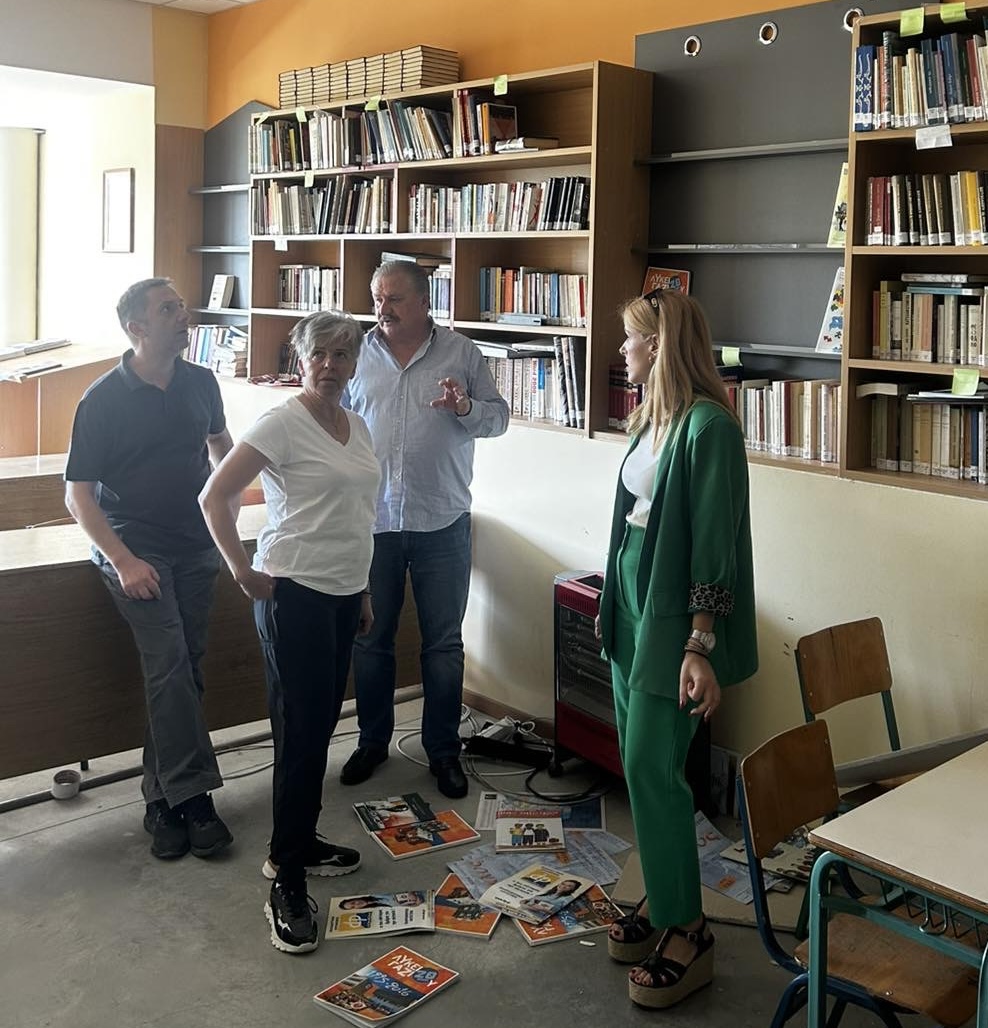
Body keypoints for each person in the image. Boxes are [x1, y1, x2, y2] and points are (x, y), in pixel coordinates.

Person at [199, 310, 380, 955]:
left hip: (342, 595)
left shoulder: (356, 424)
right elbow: (214, 497)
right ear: (301, 360)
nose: (331, 365)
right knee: (301, 737)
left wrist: (362, 591)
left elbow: (359, 513)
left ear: (355, 362)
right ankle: (287, 876)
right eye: (319, 354)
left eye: (342, 354)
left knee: (320, 728)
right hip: (294, 595)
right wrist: (241, 568)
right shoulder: (281, 422)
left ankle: (296, 842)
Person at [598, 288, 757, 1010]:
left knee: (651, 767)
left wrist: (700, 643)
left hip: (673, 617)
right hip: (631, 604)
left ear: (658, 346)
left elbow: (714, 546)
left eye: (630, 339)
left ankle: (690, 929)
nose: (622, 350)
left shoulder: (708, 428)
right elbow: (634, 519)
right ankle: (665, 896)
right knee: (636, 763)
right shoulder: (649, 418)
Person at [64, 277, 234, 862]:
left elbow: (222, 449)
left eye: (181, 306)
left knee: (187, 667)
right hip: (134, 546)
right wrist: (124, 560)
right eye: (168, 309)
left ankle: (160, 800)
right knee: (170, 662)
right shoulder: (102, 398)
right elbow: (79, 497)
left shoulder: (202, 382)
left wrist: (225, 512)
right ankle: (196, 800)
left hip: (195, 543)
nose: (183, 315)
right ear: (137, 327)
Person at [339, 260, 509, 799]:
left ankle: (443, 751)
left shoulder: (462, 352)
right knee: (371, 640)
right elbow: (330, 420)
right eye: (376, 297)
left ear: (423, 302)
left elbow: (498, 419)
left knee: (443, 645)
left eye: (393, 298)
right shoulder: (356, 352)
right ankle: (372, 742)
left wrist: (465, 407)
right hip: (374, 521)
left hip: (442, 521)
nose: (381, 308)